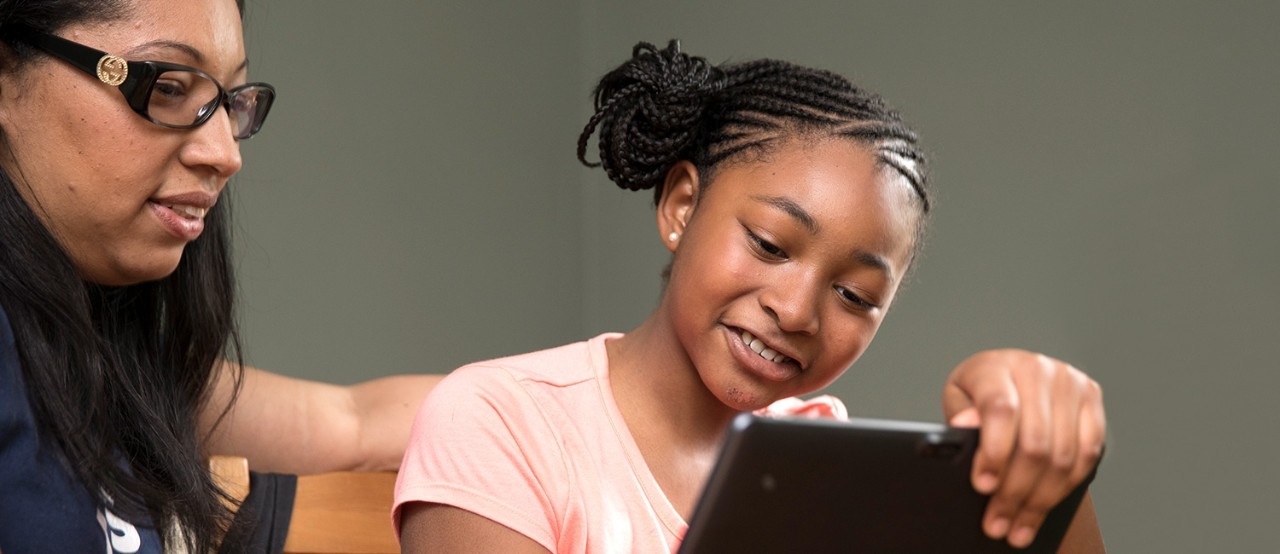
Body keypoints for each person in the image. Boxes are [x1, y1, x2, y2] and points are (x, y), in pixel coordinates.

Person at [394, 41, 1107, 553]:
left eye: (855, 295)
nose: (796, 312)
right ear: (679, 206)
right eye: (769, 244)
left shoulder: (829, 466)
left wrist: (1041, 451)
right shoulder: (503, 425)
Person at [0, 1, 443, 552]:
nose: (225, 154)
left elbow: (357, 425)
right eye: (166, 87)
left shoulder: (108, 365)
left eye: (230, 103)